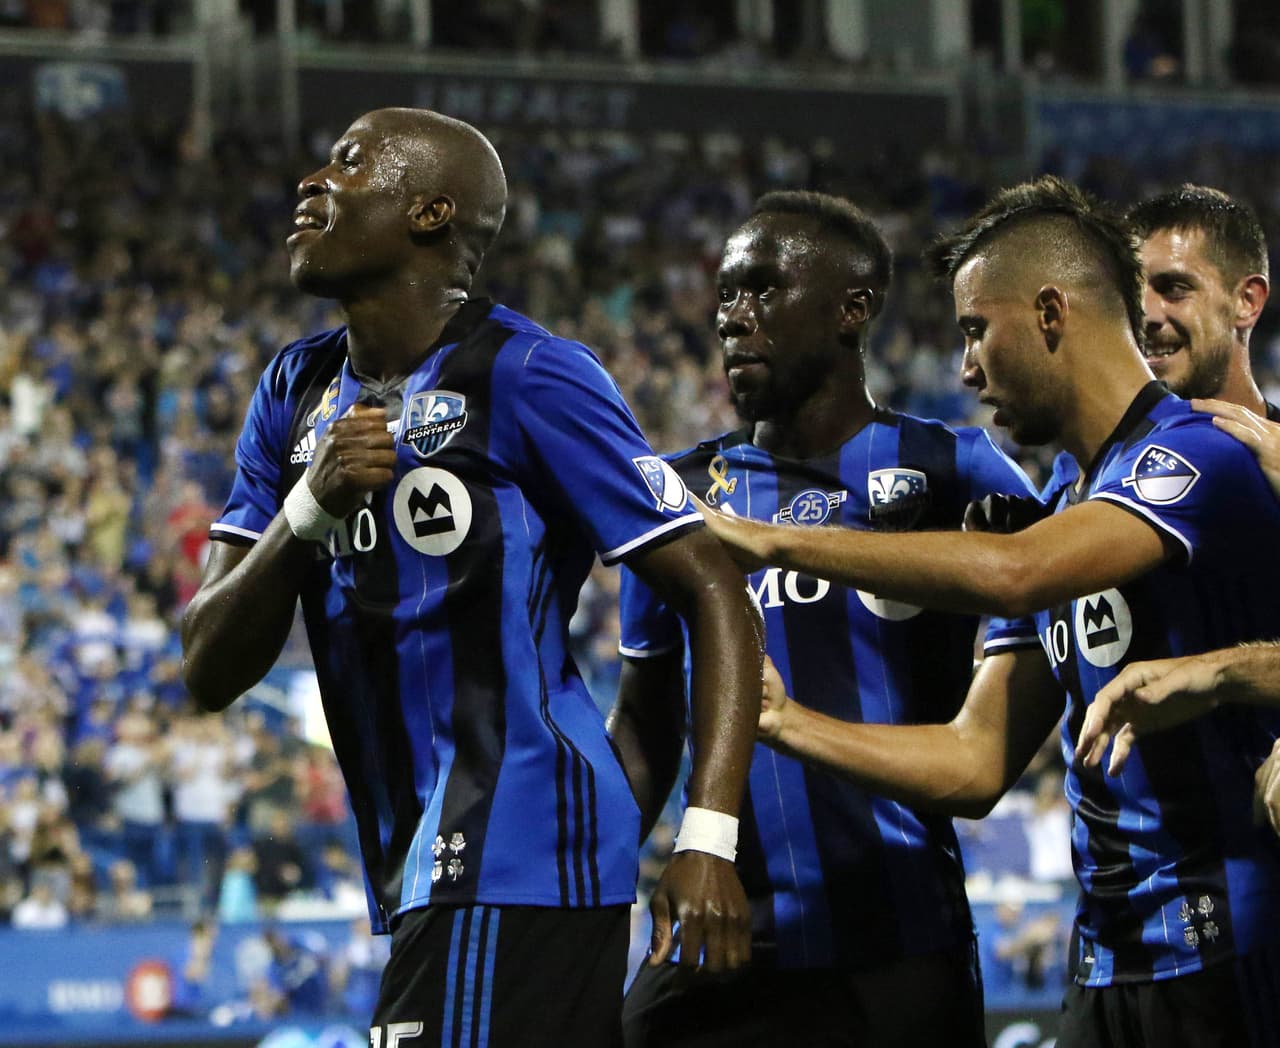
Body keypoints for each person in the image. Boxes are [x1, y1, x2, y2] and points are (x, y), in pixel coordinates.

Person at [180, 107, 761, 1047]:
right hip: (425, 852)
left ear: (429, 212)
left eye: (349, 164)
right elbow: (206, 666)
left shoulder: (532, 373)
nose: (311, 183)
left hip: (520, 830)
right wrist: (307, 509)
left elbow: (713, 587)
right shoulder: (293, 390)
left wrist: (707, 837)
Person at [703, 175, 1280, 1048]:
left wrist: (769, 540)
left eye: (976, 330)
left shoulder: (1199, 454)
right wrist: (784, 722)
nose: (966, 369)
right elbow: (974, 764)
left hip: (1232, 956)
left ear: (1051, 314)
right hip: (1106, 969)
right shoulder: (1056, 501)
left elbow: (1015, 574)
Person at [613, 190, 1037, 1048]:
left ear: (852, 310)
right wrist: (580, 869)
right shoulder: (673, 495)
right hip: (721, 929)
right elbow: (648, 724)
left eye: (764, 289)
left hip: (899, 937)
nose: (734, 317)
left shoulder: (956, 468)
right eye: (727, 294)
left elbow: (1054, 608)